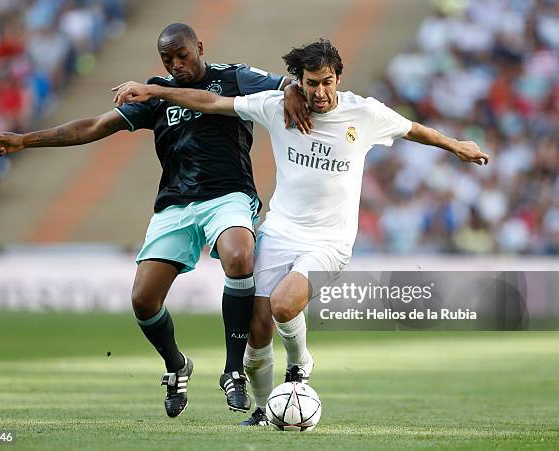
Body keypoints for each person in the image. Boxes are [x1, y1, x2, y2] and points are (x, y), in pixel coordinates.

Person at [112, 38, 490, 425]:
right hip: (278, 232)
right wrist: (157, 90)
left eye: (327, 82)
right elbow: (213, 103)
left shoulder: (365, 113)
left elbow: (413, 130)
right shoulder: (277, 107)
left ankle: (299, 365)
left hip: (330, 240)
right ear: (299, 82)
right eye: (312, 83)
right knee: (256, 330)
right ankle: (262, 411)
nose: (320, 92)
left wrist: (455, 144)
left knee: (284, 303)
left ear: (338, 78)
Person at [0, 23, 310, 419]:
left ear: (199, 47)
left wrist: (291, 87)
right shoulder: (153, 94)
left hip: (228, 196)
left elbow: (286, 83)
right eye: (168, 59)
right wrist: (25, 139)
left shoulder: (232, 77)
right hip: (175, 205)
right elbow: (94, 126)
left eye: (182, 55)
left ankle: (233, 370)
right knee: (143, 300)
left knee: (240, 255)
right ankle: (176, 366)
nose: (176, 64)